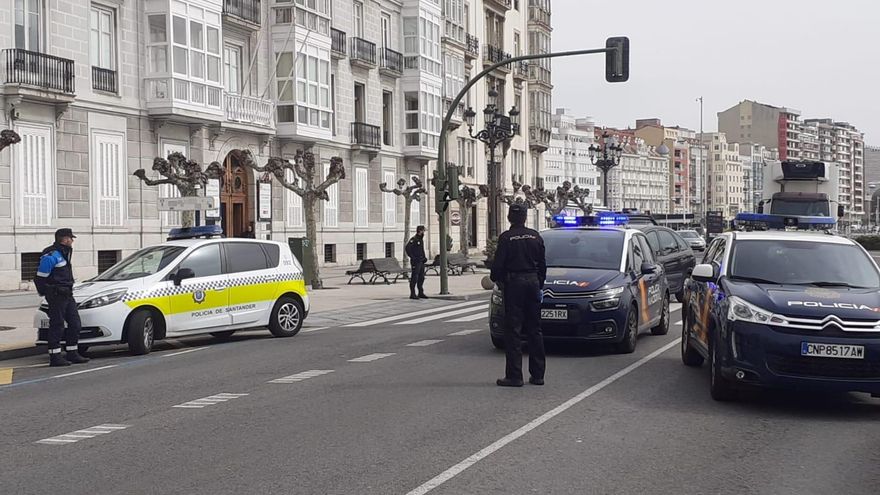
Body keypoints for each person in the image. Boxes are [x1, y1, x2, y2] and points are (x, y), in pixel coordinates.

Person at [490, 203, 546, 387]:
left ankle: (515, 376)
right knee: (535, 329)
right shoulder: (535, 236)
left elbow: (498, 266)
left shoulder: (506, 238)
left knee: (513, 330)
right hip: (532, 282)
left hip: (514, 284)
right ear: (525, 217)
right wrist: (539, 283)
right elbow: (543, 264)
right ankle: (538, 375)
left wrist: (498, 279)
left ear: (509, 218)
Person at [34, 228, 89, 367]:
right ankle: (55, 356)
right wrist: (48, 292)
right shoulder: (51, 255)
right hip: (57, 295)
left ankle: (72, 352)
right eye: (71, 238)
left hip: (67, 294)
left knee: (75, 323)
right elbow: (40, 278)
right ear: (64, 239)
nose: (72, 241)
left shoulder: (64, 253)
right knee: (57, 325)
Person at [405, 225, 428, 300]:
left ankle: (420, 292)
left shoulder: (420, 239)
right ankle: (412, 293)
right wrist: (413, 258)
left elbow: (421, 250)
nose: (424, 232)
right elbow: (407, 248)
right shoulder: (414, 239)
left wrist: (424, 257)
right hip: (416, 262)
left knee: (421, 277)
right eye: (423, 231)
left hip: (421, 261)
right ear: (420, 231)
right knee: (415, 277)